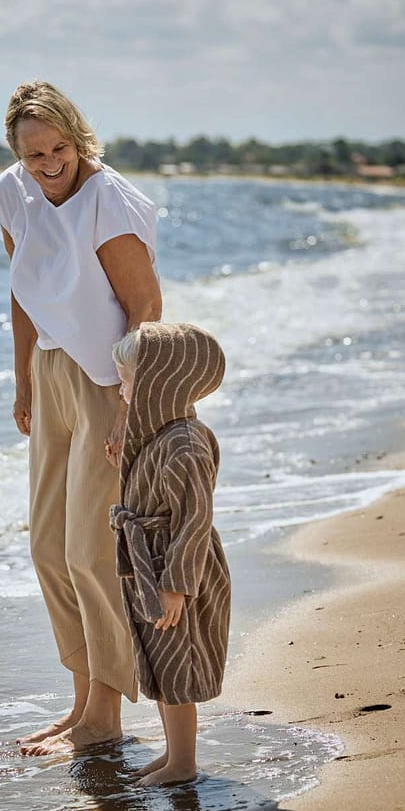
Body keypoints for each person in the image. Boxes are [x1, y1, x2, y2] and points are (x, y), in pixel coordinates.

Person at [0, 79, 162, 755]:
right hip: (51, 373)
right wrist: (23, 381)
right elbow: (23, 291)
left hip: (108, 378)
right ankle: (80, 704)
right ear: (17, 154)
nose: (49, 164)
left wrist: (129, 404)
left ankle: (104, 718)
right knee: (48, 549)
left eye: (59, 148)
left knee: (91, 553)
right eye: (34, 154)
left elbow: (145, 307)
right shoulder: (12, 192)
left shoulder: (106, 199)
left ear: (77, 137)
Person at [110, 322, 230, 785]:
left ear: (158, 384)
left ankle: (183, 763)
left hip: (180, 567)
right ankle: (171, 753)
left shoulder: (185, 443)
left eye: (127, 381)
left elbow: (195, 519)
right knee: (160, 661)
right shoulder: (159, 436)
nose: (121, 391)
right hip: (150, 563)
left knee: (179, 662)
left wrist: (178, 585)